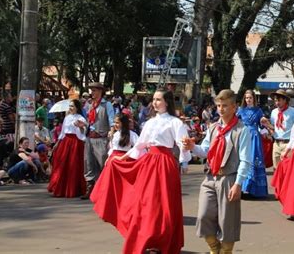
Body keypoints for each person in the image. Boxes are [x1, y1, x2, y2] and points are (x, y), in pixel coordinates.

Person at [90, 88, 190, 254]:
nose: (155, 102)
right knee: (146, 202)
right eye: (154, 99)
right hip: (150, 162)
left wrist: (184, 161)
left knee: (164, 203)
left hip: (165, 164)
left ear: (167, 102)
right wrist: (123, 158)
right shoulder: (150, 122)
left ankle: (162, 240)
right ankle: (147, 237)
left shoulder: (175, 122)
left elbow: (183, 143)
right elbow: (140, 145)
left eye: (159, 99)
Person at [183, 89, 252, 254]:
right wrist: (193, 147)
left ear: (234, 107)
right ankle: (214, 248)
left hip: (229, 178)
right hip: (210, 177)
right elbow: (205, 150)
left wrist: (238, 184)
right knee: (203, 215)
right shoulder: (213, 128)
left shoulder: (242, 130)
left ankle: (225, 251)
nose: (221, 109)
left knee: (227, 221)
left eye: (225, 106)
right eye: (219, 105)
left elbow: (245, 160)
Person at [81, 82, 115, 199]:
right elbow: (89, 121)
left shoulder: (107, 105)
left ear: (100, 91)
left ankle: (104, 191)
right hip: (90, 138)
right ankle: (90, 189)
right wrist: (82, 125)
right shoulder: (90, 105)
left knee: (102, 164)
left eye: (94, 90)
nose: (92, 93)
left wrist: (111, 130)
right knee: (88, 163)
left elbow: (112, 119)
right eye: (91, 90)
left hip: (101, 138)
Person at [48, 99, 87, 197]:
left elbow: (83, 132)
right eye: (70, 106)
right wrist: (58, 142)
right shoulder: (67, 117)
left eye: (72, 106)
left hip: (76, 142)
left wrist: (80, 127)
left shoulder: (81, 118)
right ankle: (60, 187)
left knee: (73, 165)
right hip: (65, 141)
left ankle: (73, 189)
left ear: (77, 108)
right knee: (61, 163)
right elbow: (62, 132)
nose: (70, 108)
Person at [237, 89, 269, 198]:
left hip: (255, 137)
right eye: (246, 98)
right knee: (242, 160)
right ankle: (241, 188)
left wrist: (264, 124)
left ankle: (254, 190)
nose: (248, 100)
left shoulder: (258, 111)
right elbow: (235, 123)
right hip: (243, 136)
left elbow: (262, 125)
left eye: (250, 98)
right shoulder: (241, 110)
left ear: (253, 99)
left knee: (254, 160)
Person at [269, 89, 294, 169]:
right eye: (275, 100)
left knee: (287, 169)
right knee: (276, 169)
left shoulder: (293, 111)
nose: (277, 103)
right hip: (276, 143)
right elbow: (273, 127)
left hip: (288, 143)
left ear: (285, 100)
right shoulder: (274, 112)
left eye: (279, 100)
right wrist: (268, 127)